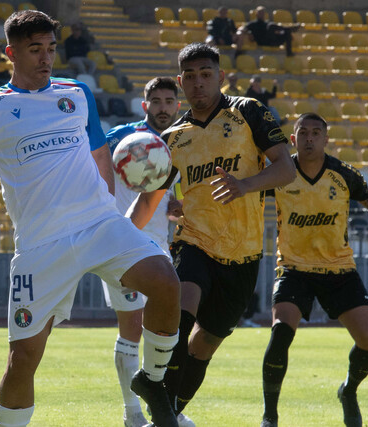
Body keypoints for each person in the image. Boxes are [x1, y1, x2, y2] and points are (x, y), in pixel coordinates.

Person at [0, 10, 181, 427]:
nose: (46, 58)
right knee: (23, 358)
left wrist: (108, 210)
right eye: (35, 49)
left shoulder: (77, 93)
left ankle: (152, 382)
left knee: (166, 282)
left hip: (99, 224)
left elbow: (100, 157)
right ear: (11, 53)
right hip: (43, 245)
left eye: (51, 49)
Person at [127, 42, 296, 422]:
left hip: (244, 253)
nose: (197, 83)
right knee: (181, 312)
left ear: (220, 77)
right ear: (182, 81)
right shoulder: (172, 136)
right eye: (189, 76)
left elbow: (286, 169)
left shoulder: (247, 112)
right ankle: (154, 387)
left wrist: (245, 185)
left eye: (205, 75)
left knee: (203, 346)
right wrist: (116, 241)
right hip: (193, 241)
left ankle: (167, 412)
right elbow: (148, 201)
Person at [259, 113, 368, 427]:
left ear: (326, 139)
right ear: (293, 139)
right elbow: (244, 193)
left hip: (338, 269)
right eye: (304, 133)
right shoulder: (279, 174)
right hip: (293, 268)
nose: (310, 139)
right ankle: (270, 417)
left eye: (316, 133)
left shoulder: (343, 174)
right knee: (280, 332)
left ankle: (349, 391)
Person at [102, 77, 186, 427]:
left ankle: (161, 410)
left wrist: (176, 205)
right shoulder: (120, 137)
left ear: (177, 106)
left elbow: (167, 190)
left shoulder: (178, 141)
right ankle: (131, 413)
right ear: (145, 104)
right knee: (132, 328)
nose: (164, 107)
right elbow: (89, 163)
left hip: (159, 247)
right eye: (157, 100)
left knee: (163, 330)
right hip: (123, 245)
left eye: (170, 100)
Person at [235, 6, 300, 57]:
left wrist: (282, 33)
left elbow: (276, 31)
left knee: (286, 32)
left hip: (273, 40)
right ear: (257, 14)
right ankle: (290, 29)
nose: (262, 14)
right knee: (272, 26)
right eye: (260, 12)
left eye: (263, 12)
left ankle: (289, 52)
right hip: (264, 41)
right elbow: (244, 28)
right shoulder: (253, 24)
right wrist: (246, 32)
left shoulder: (267, 22)